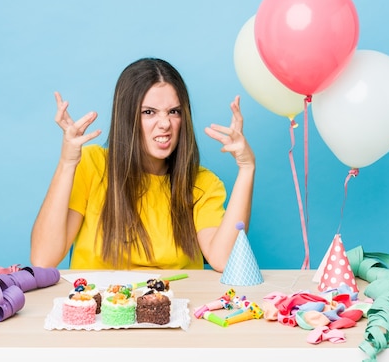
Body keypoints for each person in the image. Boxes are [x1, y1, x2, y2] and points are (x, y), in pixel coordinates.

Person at [30, 57, 255, 272]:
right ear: (127, 118)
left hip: (173, 306)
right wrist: (68, 162)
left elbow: (224, 260)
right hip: (101, 308)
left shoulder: (202, 183)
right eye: (149, 112)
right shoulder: (91, 164)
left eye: (174, 112)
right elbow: (43, 259)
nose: (165, 124)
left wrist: (246, 168)